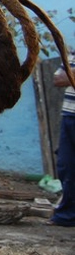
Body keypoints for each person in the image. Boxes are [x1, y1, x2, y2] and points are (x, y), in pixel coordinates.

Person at [51, 52, 75, 227]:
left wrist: (70, 76)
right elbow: (58, 79)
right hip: (69, 115)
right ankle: (66, 215)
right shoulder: (73, 53)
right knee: (66, 165)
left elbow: (65, 77)